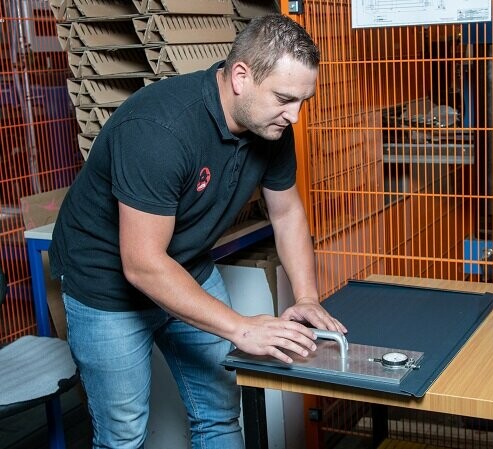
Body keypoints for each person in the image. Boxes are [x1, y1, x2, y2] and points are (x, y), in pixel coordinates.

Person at [49, 14, 346, 449]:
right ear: (241, 76)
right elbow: (143, 264)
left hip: (185, 265)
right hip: (106, 283)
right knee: (124, 435)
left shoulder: (272, 125)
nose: (295, 116)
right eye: (285, 98)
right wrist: (242, 329)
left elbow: (287, 215)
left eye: (303, 100)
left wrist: (305, 298)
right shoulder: (159, 130)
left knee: (219, 413)